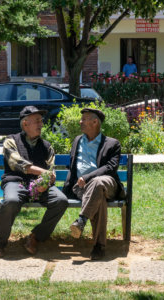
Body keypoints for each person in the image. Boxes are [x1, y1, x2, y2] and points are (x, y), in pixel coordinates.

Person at [0, 106, 68, 258]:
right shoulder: (10, 141)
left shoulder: (47, 146)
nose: (41, 124)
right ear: (25, 124)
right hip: (15, 182)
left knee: (61, 200)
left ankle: (35, 237)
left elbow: (51, 170)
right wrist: (43, 173)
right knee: (11, 200)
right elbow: (18, 164)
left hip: (40, 185)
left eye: (41, 121)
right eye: (37, 121)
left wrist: (45, 182)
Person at [63, 108, 126, 260]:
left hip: (107, 183)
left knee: (97, 183)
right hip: (81, 187)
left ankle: (82, 220)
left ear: (95, 122)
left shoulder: (112, 143)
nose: (80, 122)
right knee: (99, 200)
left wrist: (88, 176)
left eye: (84, 119)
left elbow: (110, 168)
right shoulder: (77, 140)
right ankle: (99, 247)